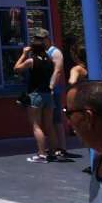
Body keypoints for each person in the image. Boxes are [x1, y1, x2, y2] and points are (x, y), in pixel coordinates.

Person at [16, 34, 64, 163]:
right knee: (49, 125)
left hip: (36, 94)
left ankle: (42, 154)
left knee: (36, 125)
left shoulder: (31, 61)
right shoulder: (50, 60)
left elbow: (16, 69)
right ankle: (53, 152)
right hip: (48, 94)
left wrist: (23, 54)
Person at [39, 28, 69, 159]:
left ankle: (61, 147)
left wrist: (51, 86)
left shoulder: (55, 52)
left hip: (53, 91)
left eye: (42, 39)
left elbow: (57, 71)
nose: (40, 41)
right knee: (46, 120)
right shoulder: (42, 52)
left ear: (47, 38)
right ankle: (53, 145)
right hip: (42, 90)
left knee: (56, 119)